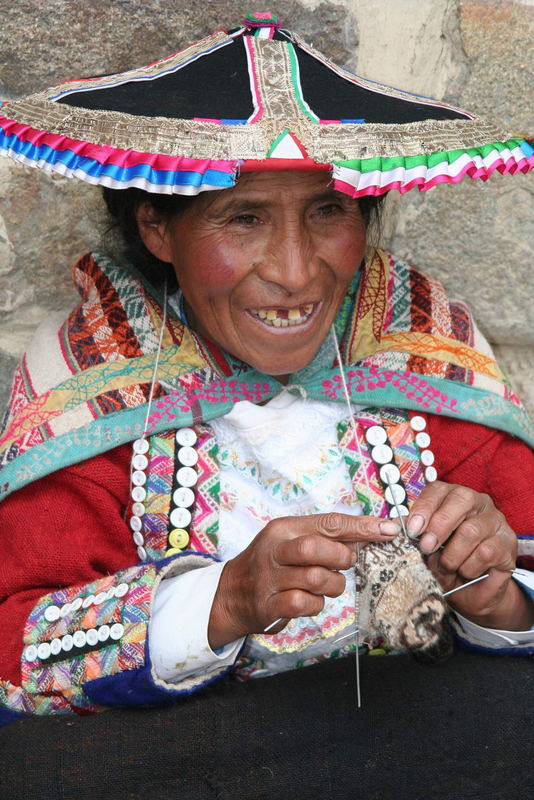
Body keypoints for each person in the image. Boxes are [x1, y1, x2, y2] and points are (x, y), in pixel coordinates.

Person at [0, 12, 532, 733]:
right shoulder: (95, 375)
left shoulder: (423, 344)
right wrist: (220, 603)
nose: (294, 271)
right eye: (243, 217)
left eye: (327, 211)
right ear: (157, 225)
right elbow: (14, 641)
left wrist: (499, 596)